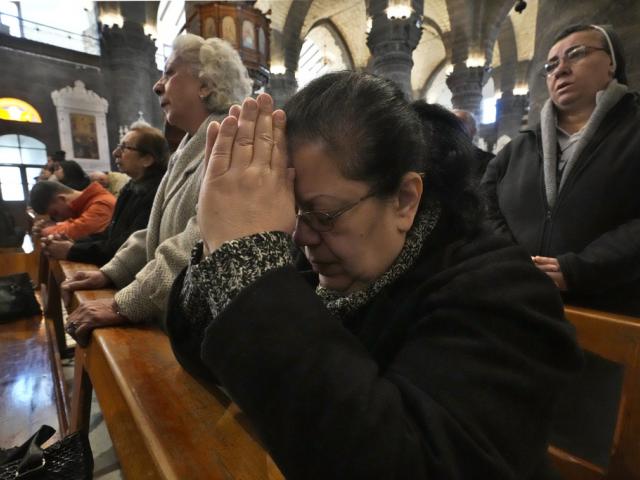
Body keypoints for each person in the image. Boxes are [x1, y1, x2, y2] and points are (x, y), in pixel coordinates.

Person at [167, 74, 582, 478]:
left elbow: (409, 460)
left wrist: (250, 269)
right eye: (292, 213)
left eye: (324, 214)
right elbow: (200, 353)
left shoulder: (505, 295)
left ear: (404, 200)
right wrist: (226, 249)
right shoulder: (318, 259)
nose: (302, 237)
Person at [61, 33, 253, 338]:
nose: (157, 84)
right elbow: (156, 231)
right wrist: (111, 272)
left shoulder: (233, 142)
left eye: (170, 72)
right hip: (176, 317)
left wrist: (125, 302)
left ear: (206, 84)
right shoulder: (189, 145)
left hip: (207, 331)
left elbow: (199, 239)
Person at [482, 24, 640, 316]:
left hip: (611, 309)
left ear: (612, 64)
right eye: (551, 64)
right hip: (519, 304)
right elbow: (483, 206)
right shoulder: (518, 149)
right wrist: (515, 263)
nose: (561, 70)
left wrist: (576, 270)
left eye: (576, 54)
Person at [42, 125, 169, 266]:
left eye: (125, 148)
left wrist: (72, 250)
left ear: (146, 159)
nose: (115, 153)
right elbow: (110, 235)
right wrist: (74, 243)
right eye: (118, 146)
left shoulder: (156, 194)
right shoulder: (130, 187)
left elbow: (127, 249)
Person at [29, 180, 115, 240]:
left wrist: (44, 231)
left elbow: (79, 230)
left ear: (62, 199)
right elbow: (72, 224)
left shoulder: (102, 203)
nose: (59, 219)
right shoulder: (83, 206)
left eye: (55, 213)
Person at [453, 109, 494, 178]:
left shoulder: (489, 161)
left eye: (461, 125)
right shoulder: (439, 159)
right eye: (452, 125)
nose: (455, 129)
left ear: (473, 131)